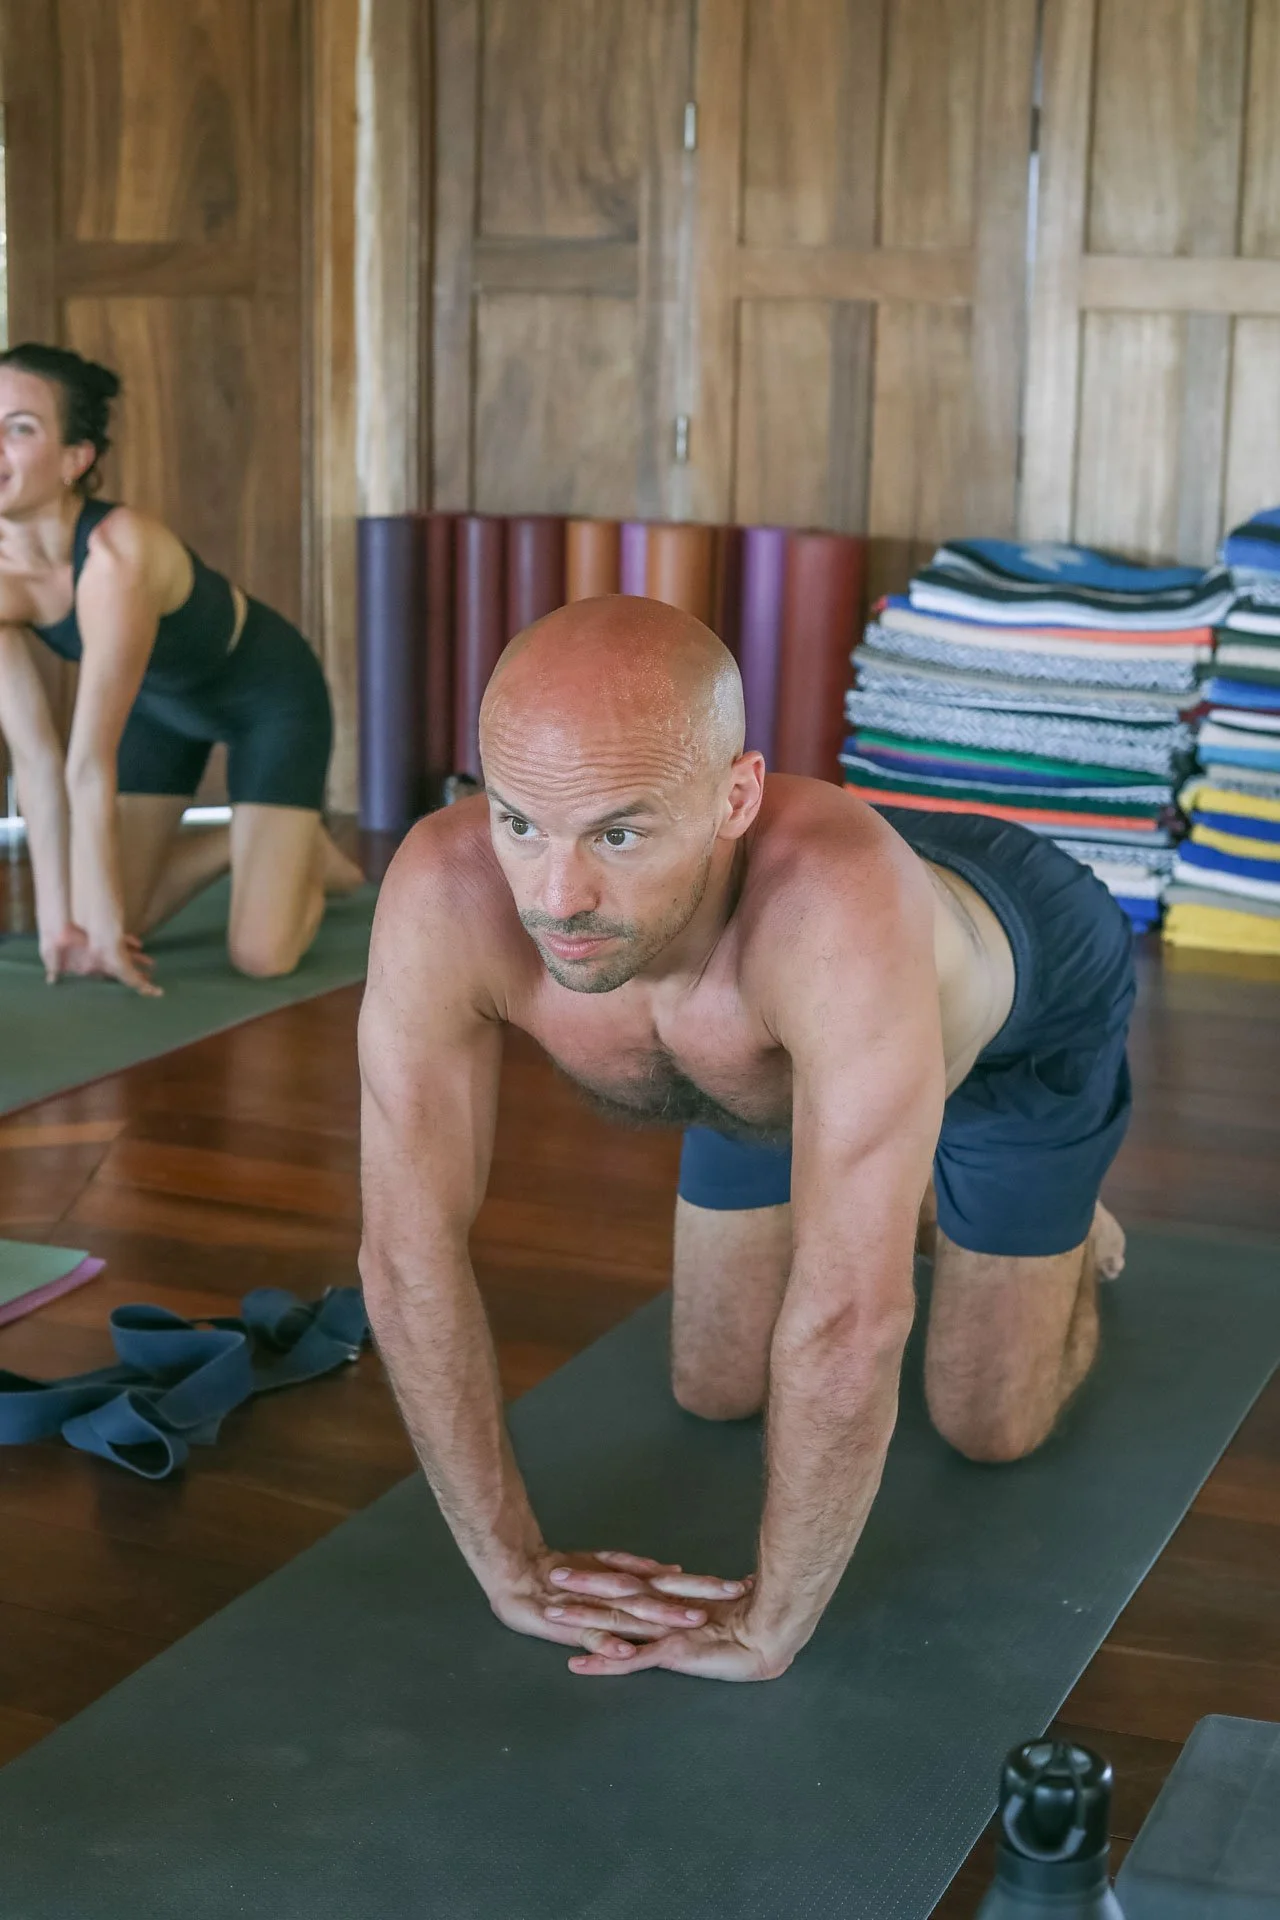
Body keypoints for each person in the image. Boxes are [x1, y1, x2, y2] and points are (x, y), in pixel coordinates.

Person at [358, 596, 1134, 1685]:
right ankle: (885, 1157)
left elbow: (853, 1320)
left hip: (1013, 989)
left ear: (734, 797)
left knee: (984, 1421)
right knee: (715, 1383)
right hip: (763, 1060)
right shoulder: (447, 891)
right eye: (520, 820)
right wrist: (506, 1565)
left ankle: (1062, 1236)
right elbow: (404, 1253)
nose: (553, 895)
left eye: (617, 832)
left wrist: (774, 1617)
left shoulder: (827, 920)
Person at [0, 342, 362, 994]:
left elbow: (88, 761)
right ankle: (262, 841)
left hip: (268, 698)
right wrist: (63, 925)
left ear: (74, 460)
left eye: (19, 428)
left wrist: (106, 932)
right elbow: (35, 760)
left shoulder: (117, 555)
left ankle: (285, 838)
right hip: (158, 705)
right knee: (99, 913)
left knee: (261, 956)